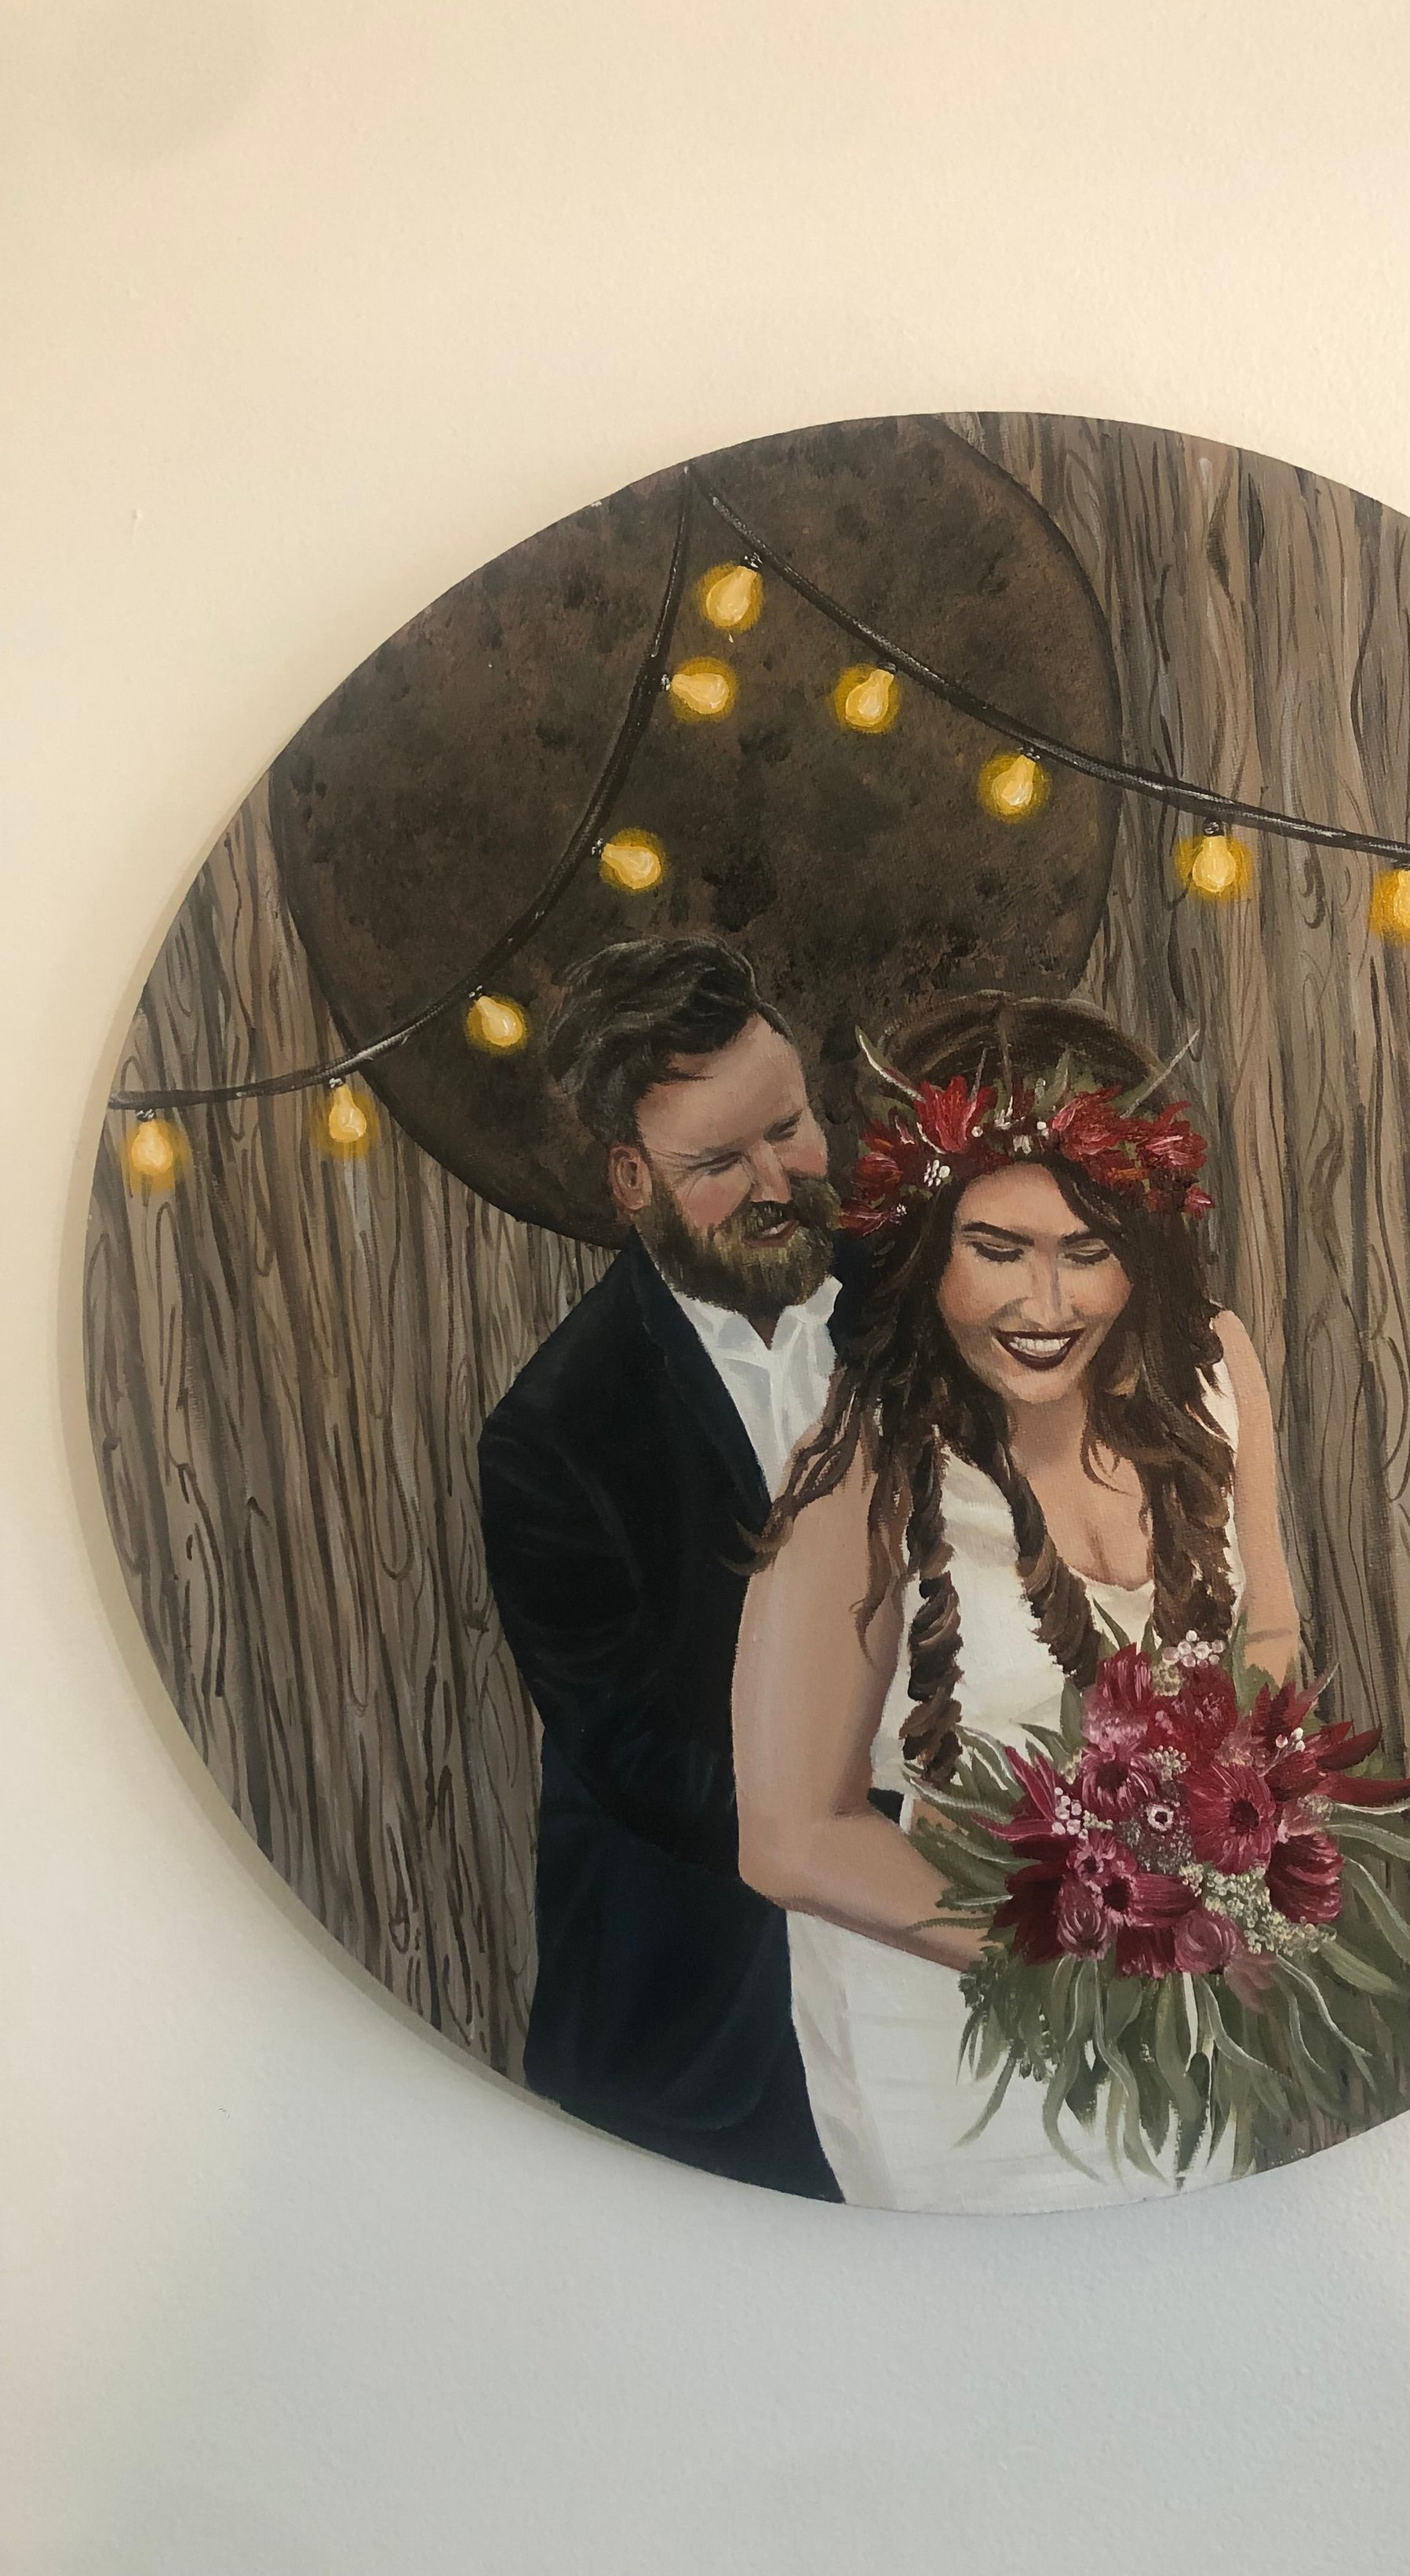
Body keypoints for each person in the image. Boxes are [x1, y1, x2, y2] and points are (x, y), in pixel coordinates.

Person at [731, 993, 1301, 2212]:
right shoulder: (861, 1466)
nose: (1048, 1305)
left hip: (1182, 2029)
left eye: (1087, 1249)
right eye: (998, 1249)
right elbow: (787, 1835)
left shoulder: (1214, 1369)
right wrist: (1105, 1941)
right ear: (927, 1240)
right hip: (959, 2058)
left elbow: (1267, 1628)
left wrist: (1247, 1853)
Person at [479, 936, 858, 2199]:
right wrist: (897, 1840)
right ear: (631, 1178)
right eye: (719, 1163)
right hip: (696, 2043)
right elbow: (632, 1754)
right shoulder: (552, 1435)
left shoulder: (923, 1301)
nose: (779, 1182)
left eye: (790, 1128)